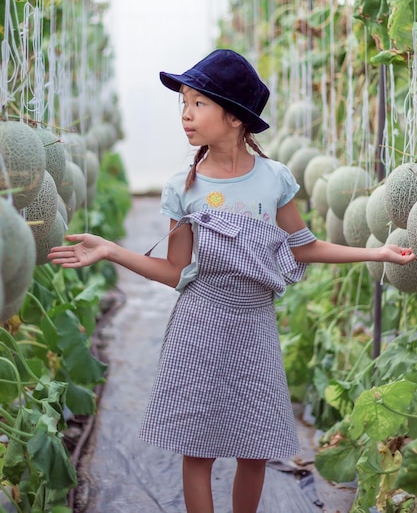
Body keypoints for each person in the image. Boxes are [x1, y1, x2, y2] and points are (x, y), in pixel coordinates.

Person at [48, 48, 415, 513]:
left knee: (254, 448)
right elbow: (176, 272)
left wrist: (377, 250)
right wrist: (111, 249)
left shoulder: (274, 179)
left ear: (237, 117)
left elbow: (304, 247)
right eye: (183, 103)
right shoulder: (184, 186)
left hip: (254, 325)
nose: (186, 114)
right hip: (199, 325)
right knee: (198, 450)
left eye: (198, 103)